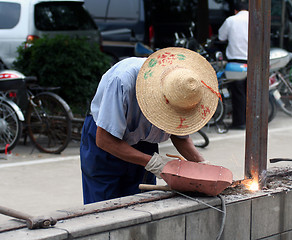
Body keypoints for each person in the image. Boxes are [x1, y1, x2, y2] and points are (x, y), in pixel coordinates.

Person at [80, 47, 219, 204]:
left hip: (145, 145)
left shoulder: (184, 85)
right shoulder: (122, 81)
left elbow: (180, 137)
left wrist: (200, 163)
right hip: (107, 143)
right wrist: (155, 163)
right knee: (104, 209)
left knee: (141, 205)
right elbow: (105, 140)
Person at [218, 0, 248, 130]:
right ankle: (252, 122)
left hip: (236, 63)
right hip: (253, 62)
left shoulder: (231, 20)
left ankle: (240, 122)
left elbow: (221, 37)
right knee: (252, 93)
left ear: (235, 10)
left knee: (238, 94)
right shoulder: (256, 19)